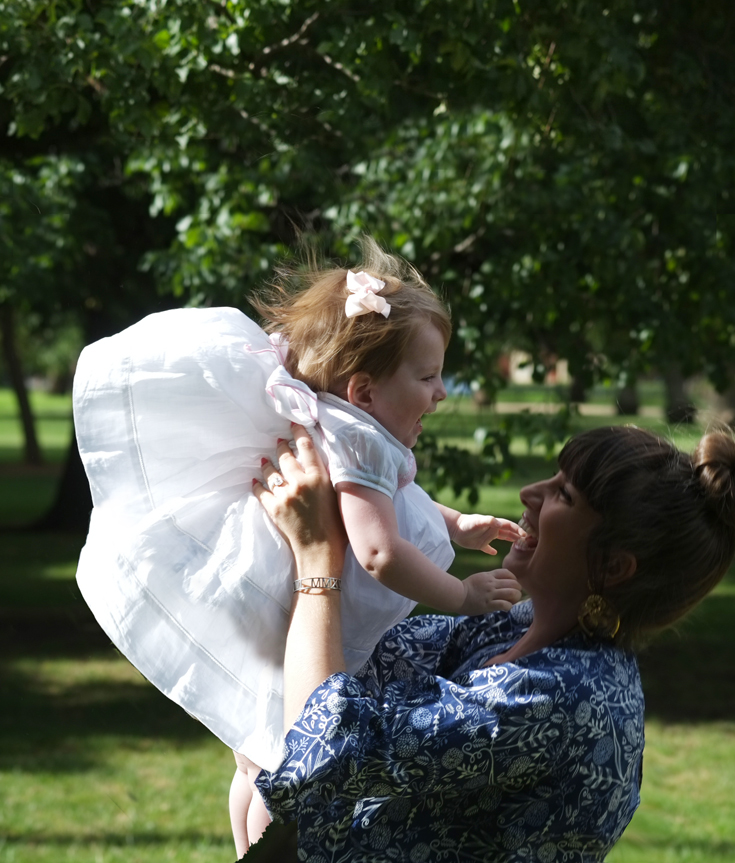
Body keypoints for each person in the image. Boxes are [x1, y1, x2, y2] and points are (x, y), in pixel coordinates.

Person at [72, 239, 523, 857]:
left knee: (255, 754)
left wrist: (454, 524)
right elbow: (379, 551)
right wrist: (462, 594)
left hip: (265, 607)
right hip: (295, 615)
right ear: (364, 390)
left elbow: (396, 504)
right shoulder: (363, 445)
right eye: (427, 376)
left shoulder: (345, 428)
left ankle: (244, 842)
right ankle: (263, 840)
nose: (442, 392)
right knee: (285, 761)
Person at [253, 422, 735, 861]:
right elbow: (372, 659)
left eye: (564, 495)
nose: (529, 493)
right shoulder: (517, 625)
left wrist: (318, 558)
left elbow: (326, 754)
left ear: (613, 566)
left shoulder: (562, 696)